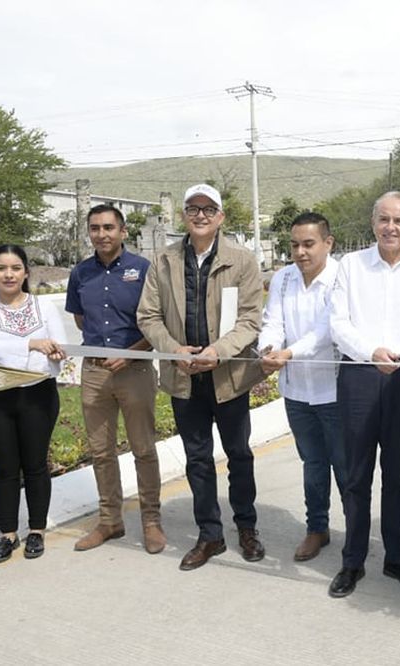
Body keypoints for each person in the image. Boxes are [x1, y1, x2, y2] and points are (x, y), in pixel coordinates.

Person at [137, 183, 267, 571]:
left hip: (228, 377)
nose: (200, 215)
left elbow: (250, 320)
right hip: (183, 377)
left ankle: (247, 528)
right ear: (184, 216)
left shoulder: (242, 261)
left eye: (209, 209)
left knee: (239, 455)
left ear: (221, 217)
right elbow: (148, 316)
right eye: (192, 208)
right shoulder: (163, 261)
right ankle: (210, 534)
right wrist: (174, 350)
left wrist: (218, 352)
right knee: (197, 458)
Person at [326, 191, 400, 598]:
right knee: (356, 474)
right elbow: (337, 322)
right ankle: (352, 560)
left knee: (396, 474)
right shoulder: (350, 267)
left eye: (399, 221)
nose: (391, 227)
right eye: (384, 219)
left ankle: (396, 558)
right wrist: (369, 351)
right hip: (359, 375)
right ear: (373, 223)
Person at [65, 204, 165, 555]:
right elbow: (80, 320)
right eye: (95, 228)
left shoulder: (143, 270)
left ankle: (151, 521)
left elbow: (157, 322)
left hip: (134, 371)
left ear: (123, 231)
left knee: (143, 449)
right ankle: (110, 520)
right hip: (93, 373)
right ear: (89, 233)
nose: (102, 234)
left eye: (109, 227)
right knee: (101, 451)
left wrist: (130, 352)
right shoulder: (80, 273)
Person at [0, 245, 67, 563]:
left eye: (15, 268)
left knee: (36, 464)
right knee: (6, 468)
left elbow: (58, 346)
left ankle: (36, 530)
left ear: (26, 272)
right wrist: (31, 344)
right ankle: (8, 534)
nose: (8, 274)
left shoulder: (44, 306)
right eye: (1, 268)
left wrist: (50, 353)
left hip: (37, 395)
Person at [258, 211, 346, 562]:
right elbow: (272, 322)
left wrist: (289, 352)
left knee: (345, 466)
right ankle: (317, 529)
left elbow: (328, 331)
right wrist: (267, 348)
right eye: (294, 244)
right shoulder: (283, 279)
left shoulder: (342, 279)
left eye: (309, 244)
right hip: (297, 391)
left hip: (335, 391)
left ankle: (355, 534)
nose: (301, 252)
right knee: (312, 464)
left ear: (328, 243)